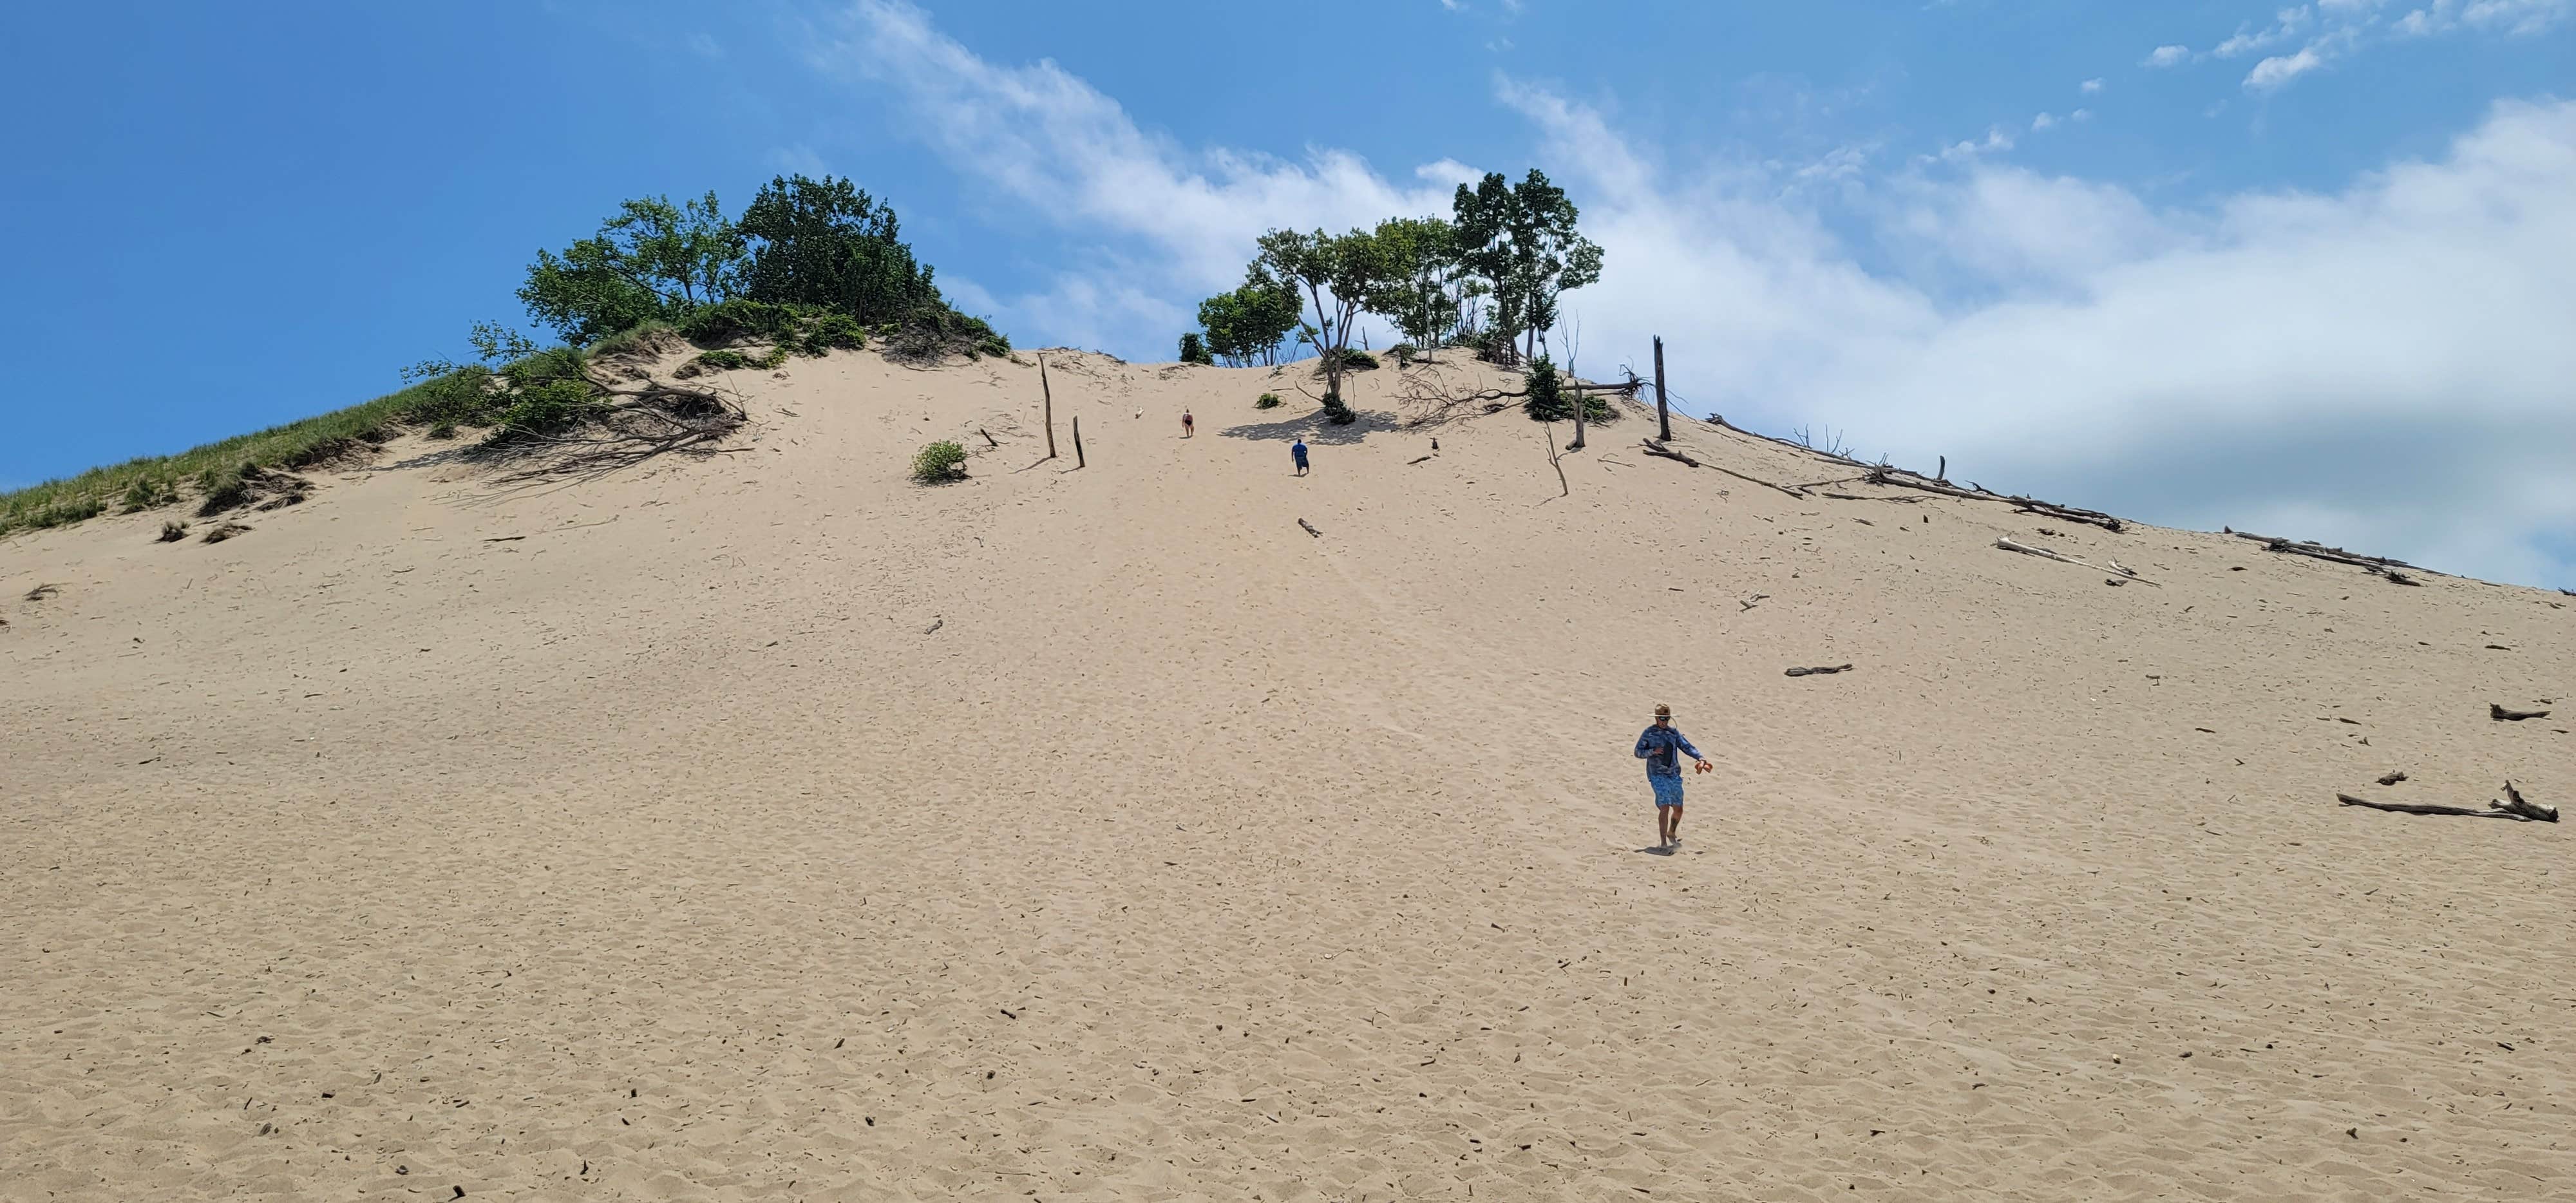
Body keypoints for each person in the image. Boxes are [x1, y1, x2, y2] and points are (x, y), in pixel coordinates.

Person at [1633, 703, 1710, 849]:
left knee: (1678, 809)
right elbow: (1638, 752)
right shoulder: (1649, 733)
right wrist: (1652, 751)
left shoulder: (1673, 733)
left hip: (1673, 774)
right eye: (1661, 718)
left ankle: (1671, 832)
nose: (1664, 721)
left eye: (1667, 718)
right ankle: (1663, 843)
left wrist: (1700, 758)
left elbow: (1687, 747)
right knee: (1664, 807)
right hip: (1657, 774)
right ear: (1657, 718)